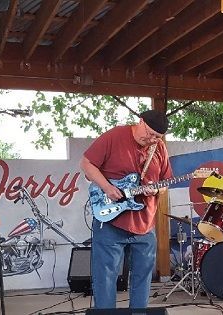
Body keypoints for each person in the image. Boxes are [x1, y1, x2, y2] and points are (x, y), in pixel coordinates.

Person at [80, 109, 173, 309]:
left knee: (143, 278)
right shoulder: (115, 135)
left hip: (145, 224)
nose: (151, 139)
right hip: (112, 221)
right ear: (140, 121)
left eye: (156, 137)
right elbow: (87, 164)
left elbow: (165, 183)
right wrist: (107, 187)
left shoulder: (159, 148)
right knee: (105, 277)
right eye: (149, 133)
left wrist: (156, 190)